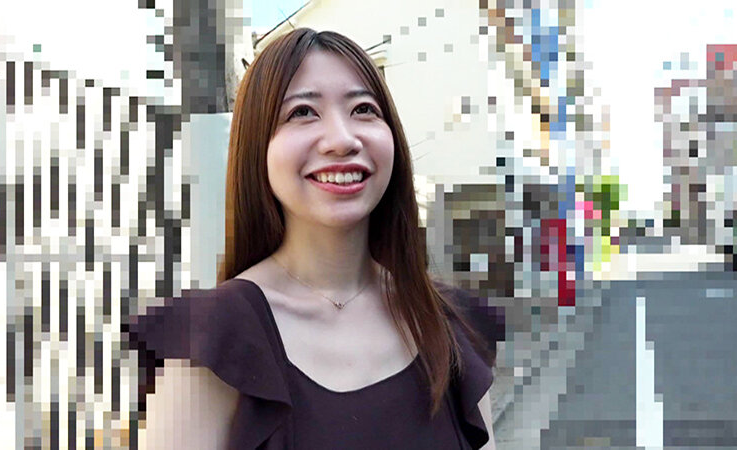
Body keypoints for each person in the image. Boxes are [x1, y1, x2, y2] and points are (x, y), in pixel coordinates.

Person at [132, 28, 496, 449]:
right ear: (257, 146)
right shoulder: (212, 341)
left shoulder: (451, 323)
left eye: (363, 109)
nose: (342, 140)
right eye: (302, 112)